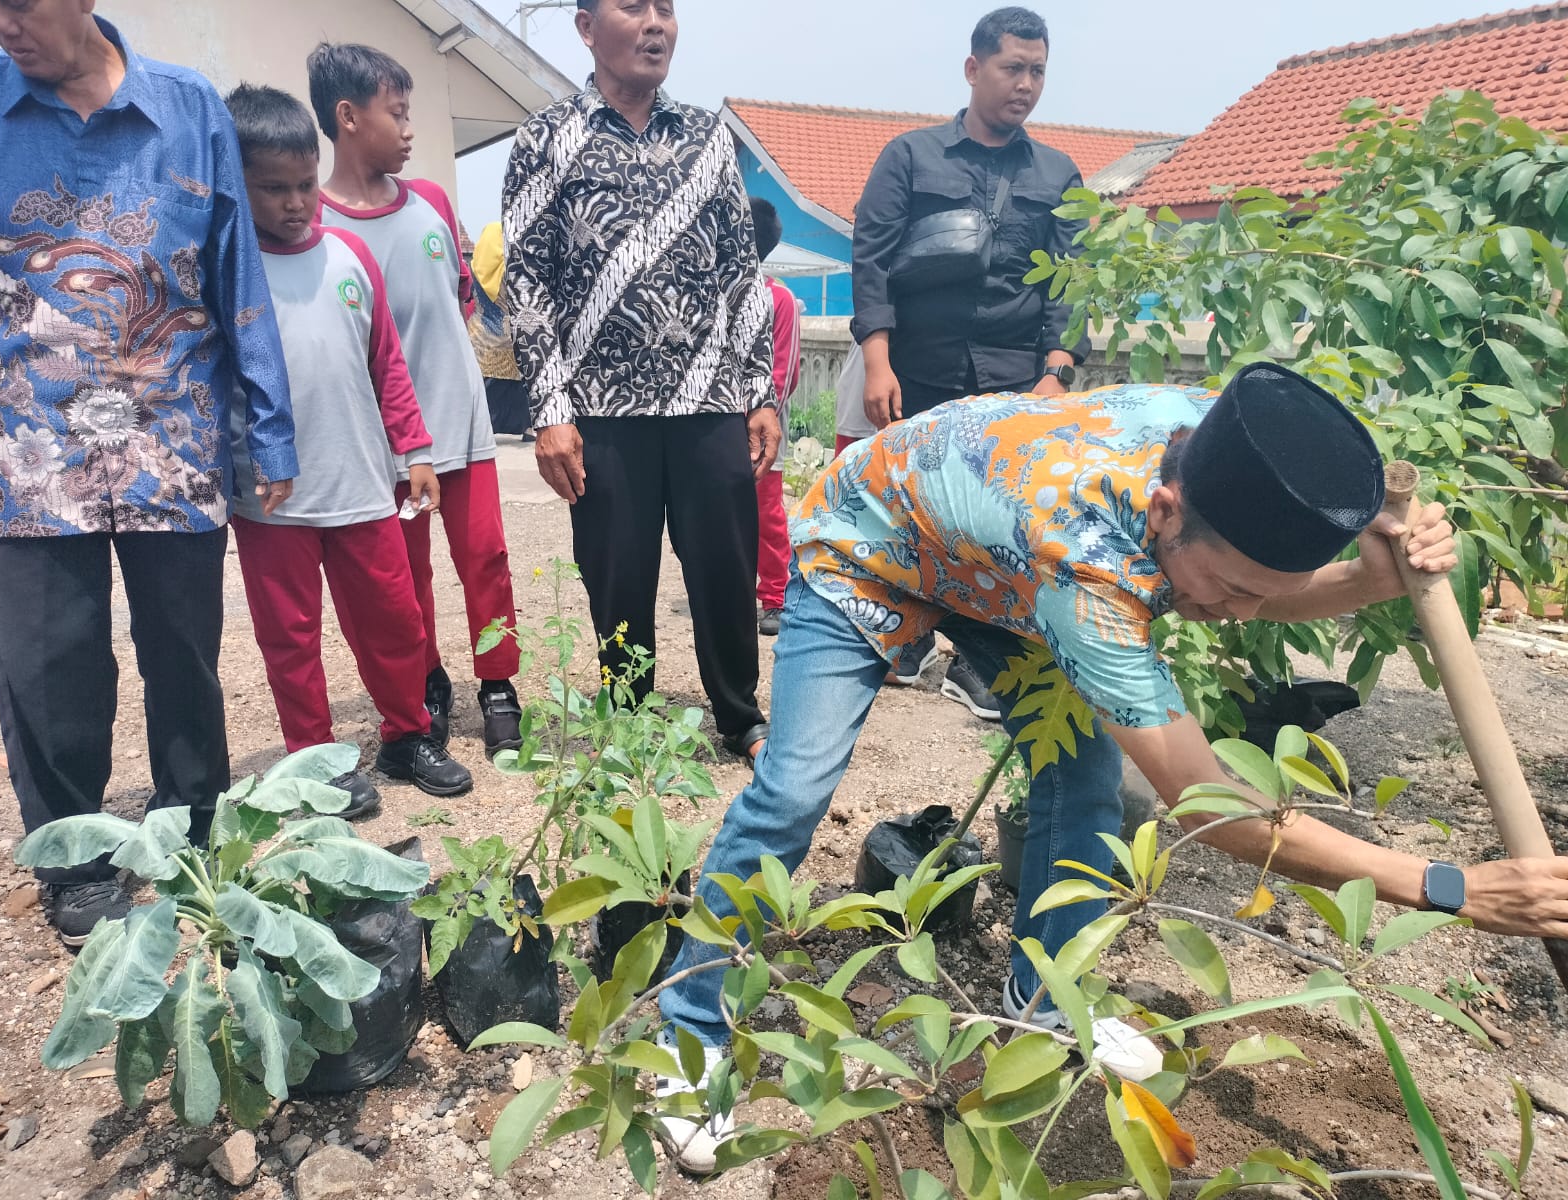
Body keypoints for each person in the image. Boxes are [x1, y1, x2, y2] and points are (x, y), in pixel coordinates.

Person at [650, 363, 1568, 1172]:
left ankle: (1039, 1008)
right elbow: (1218, 809)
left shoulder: (1226, 438)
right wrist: (1449, 886)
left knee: (1082, 782)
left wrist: (1377, 569)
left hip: (992, 563)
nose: (1234, 612)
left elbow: (1276, 565)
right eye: (1231, 588)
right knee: (796, 787)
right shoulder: (1090, 570)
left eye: (1259, 590)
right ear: (1165, 511)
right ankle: (687, 1045)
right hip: (872, 537)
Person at [0, 2, 298, 944]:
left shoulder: (190, 110)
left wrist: (266, 431)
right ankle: (73, 855)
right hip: (22, 441)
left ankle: (194, 824)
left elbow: (237, 274)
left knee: (184, 651)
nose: (5, 27)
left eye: (22, 5)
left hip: (172, 433)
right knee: (44, 659)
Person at [503, 0, 778, 761]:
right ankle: (627, 715)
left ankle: (739, 714)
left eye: (666, 8)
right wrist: (551, 408)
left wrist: (759, 389)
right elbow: (526, 281)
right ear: (588, 28)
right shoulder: (545, 138)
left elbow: (739, 271)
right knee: (617, 572)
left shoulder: (708, 138)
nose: (656, 24)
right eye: (634, 7)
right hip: (600, 408)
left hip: (708, 400)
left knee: (727, 562)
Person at [222, 84, 473, 809]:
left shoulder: (350, 254)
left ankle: (406, 734)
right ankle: (317, 762)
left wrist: (415, 451)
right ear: (237, 185)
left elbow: (387, 365)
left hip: (365, 481)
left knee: (394, 620)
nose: (297, 203)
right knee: (290, 640)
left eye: (305, 184)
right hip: (275, 499)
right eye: (273, 189)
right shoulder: (230, 270)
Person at [851, 6, 1090, 718]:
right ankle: (908, 637)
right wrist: (877, 360)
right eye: (1012, 68)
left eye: (1038, 71)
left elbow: (1072, 282)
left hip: (1017, 380)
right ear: (974, 68)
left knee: (1001, 520)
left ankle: (980, 660)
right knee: (911, 506)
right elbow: (872, 261)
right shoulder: (911, 156)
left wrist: (1058, 371)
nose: (1025, 84)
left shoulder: (1058, 172)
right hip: (918, 370)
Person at [307, 43, 524, 763]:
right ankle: (427, 680)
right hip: (387, 443)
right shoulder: (316, 226)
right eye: (396, 114)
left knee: (485, 558)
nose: (408, 130)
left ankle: (498, 684)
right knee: (405, 579)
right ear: (347, 117)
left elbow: (460, 297)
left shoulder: (431, 201)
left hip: (461, 424)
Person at [749, 197, 801, 638]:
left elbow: (783, 370)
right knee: (723, 515)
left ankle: (776, 596)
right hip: (717, 426)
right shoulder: (714, 296)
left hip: (761, 428)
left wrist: (764, 415)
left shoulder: (778, 298)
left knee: (767, 514)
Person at [468, 221, 533, 443]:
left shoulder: (475, 267)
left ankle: (480, 429)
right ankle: (526, 427)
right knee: (520, 386)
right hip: (510, 337)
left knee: (483, 387)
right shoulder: (512, 267)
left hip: (480, 338)